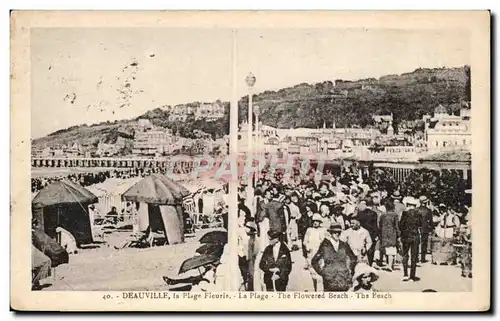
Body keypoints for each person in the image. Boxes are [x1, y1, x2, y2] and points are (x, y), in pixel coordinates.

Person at [311, 222, 357, 292]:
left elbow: (353, 258)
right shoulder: (325, 245)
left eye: (339, 232)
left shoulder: (344, 245)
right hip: (329, 281)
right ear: (331, 233)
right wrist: (322, 272)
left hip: (343, 280)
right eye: (335, 232)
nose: (337, 234)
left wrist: (350, 271)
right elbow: (314, 261)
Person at [399, 197, 423, 282]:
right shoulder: (418, 214)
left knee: (405, 255)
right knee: (414, 256)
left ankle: (405, 274)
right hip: (415, 236)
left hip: (406, 236)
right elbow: (420, 224)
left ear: (407, 205)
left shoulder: (405, 213)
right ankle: (412, 276)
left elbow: (401, 225)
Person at [303, 213, 326, 291]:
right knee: (312, 269)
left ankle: (320, 289)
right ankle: (312, 288)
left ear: (320, 222)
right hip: (311, 251)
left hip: (319, 252)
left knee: (320, 268)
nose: (315, 223)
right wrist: (307, 247)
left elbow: (324, 241)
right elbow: (305, 241)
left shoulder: (323, 230)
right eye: (314, 221)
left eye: (317, 221)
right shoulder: (309, 230)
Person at [378, 199, 400, 271]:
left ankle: (388, 264)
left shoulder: (383, 215)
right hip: (392, 233)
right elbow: (396, 225)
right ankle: (390, 265)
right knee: (392, 249)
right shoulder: (395, 215)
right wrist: (398, 233)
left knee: (387, 249)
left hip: (384, 233)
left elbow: (380, 225)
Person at [356, 198, 379, 266]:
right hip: (371, 233)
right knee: (371, 249)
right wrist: (376, 234)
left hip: (362, 233)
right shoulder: (374, 214)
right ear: (372, 205)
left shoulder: (360, 213)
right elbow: (375, 225)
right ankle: (370, 263)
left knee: (361, 248)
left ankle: (362, 264)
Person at [416, 196, 433, 263]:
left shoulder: (416, 209)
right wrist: (431, 228)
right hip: (425, 228)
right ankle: (423, 258)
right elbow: (431, 221)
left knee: (417, 243)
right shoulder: (428, 210)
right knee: (424, 244)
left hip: (417, 227)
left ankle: (416, 257)